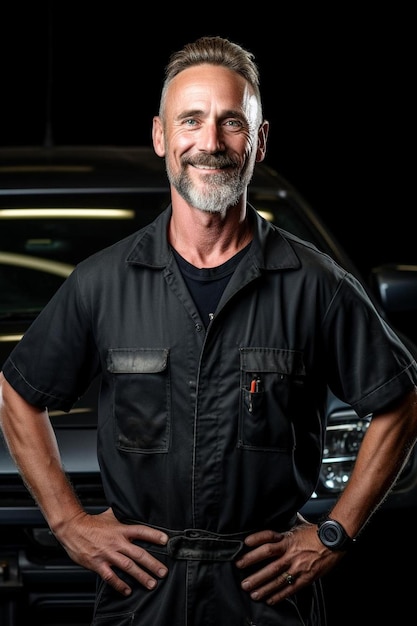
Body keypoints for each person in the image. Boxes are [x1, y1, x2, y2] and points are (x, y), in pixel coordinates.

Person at [1, 35, 417, 626]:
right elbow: (19, 392)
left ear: (261, 141)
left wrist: (332, 533)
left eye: (231, 123)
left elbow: (400, 404)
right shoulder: (101, 283)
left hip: (267, 593)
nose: (210, 143)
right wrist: (69, 523)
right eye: (190, 120)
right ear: (160, 137)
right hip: (142, 591)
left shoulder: (316, 285)